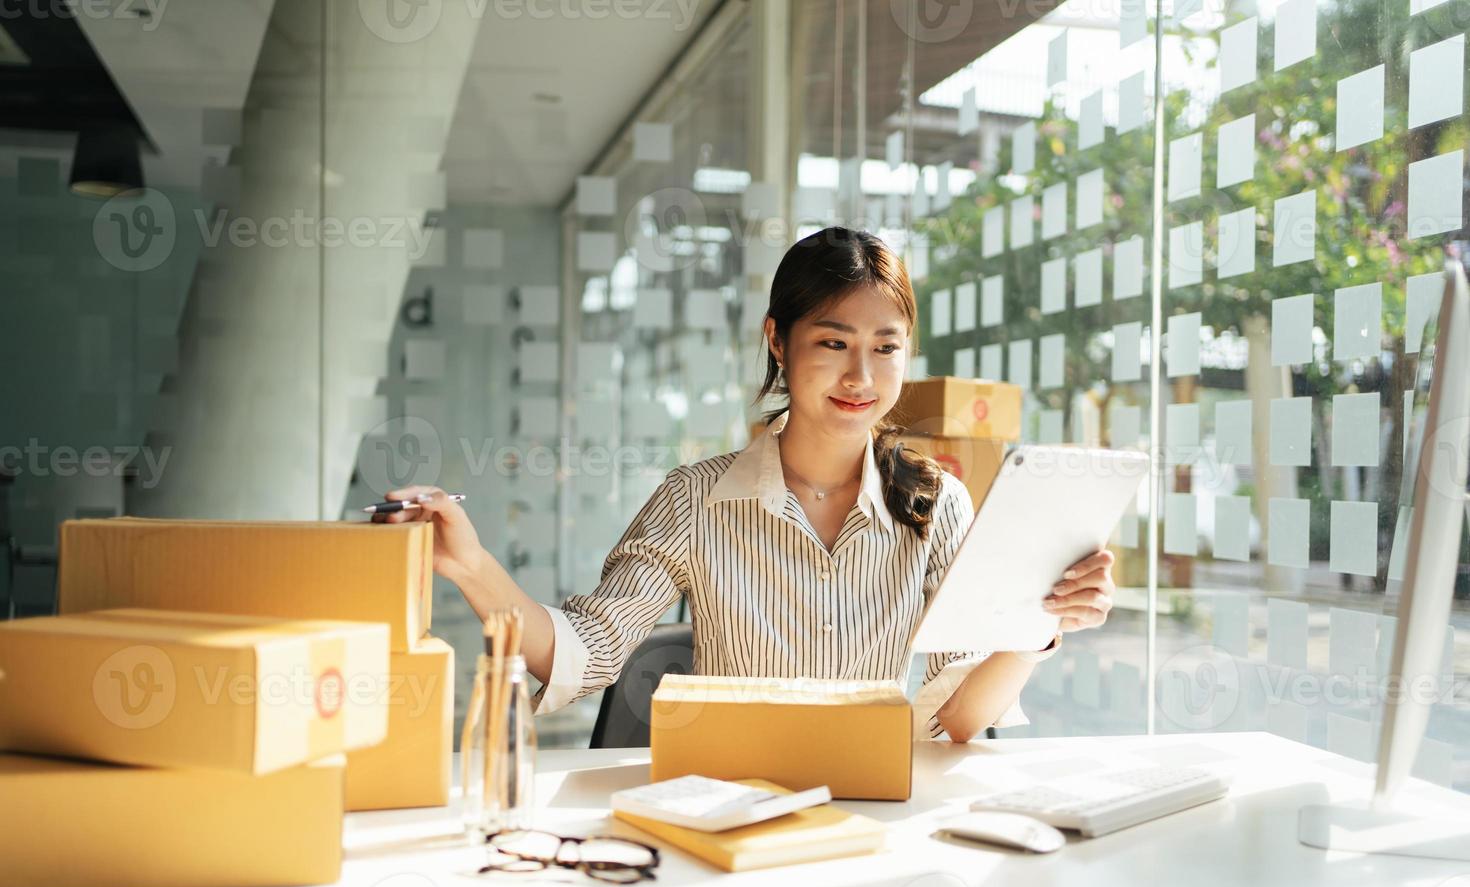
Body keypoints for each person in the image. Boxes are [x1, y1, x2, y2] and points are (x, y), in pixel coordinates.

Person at [377, 226, 1114, 741]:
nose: (861, 376)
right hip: (730, 806)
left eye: (885, 348)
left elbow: (957, 718)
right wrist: (470, 566)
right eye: (833, 343)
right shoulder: (697, 498)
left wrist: (1042, 624)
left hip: (874, 815)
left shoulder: (935, 504)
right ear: (777, 340)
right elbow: (587, 649)